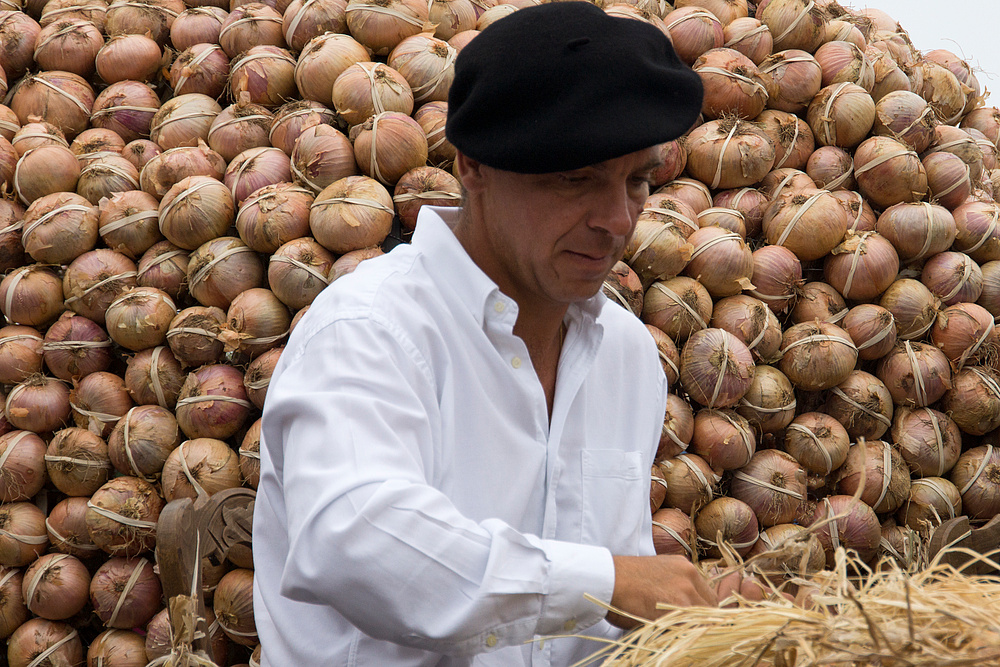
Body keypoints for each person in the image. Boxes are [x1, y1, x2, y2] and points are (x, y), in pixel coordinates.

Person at [253, 2, 716, 664]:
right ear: (473, 166)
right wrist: (611, 582)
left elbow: (606, 615)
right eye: (575, 179)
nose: (617, 219)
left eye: (638, 181)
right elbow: (356, 538)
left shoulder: (627, 353)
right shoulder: (370, 328)